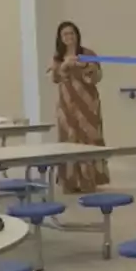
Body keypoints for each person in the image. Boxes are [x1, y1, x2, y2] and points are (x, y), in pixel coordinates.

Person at [50, 21, 110, 193]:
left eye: (71, 33)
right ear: (60, 38)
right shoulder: (57, 56)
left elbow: (96, 77)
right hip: (66, 103)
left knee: (89, 137)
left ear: (77, 35)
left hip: (87, 103)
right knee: (69, 139)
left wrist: (82, 65)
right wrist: (63, 66)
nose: (69, 37)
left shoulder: (88, 53)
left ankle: (89, 180)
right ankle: (70, 181)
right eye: (65, 35)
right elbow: (54, 78)